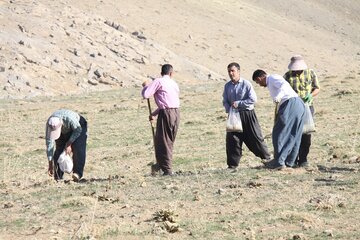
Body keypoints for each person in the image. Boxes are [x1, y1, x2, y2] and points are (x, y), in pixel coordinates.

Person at [252, 69, 305, 170]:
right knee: (294, 133)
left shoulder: (272, 78)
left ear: (259, 78)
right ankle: (289, 161)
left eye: (258, 82)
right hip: (297, 103)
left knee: (279, 133)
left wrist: (279, 96)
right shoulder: (271, 81)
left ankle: (279, 161)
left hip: (290, 103)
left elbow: (283, 85)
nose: (259, 84)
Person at [222, 62, 271, 169]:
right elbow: (225, 100)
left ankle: (267, 159)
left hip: (247, 114)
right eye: (229, 71)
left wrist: (239, 103)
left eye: (233, 71)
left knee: (255, 137)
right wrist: (229, 109)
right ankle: (232, 165)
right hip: (234, 115)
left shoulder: (246, 84)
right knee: (232, 139)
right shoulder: (227, 86)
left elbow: (253, 99)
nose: (231, 73)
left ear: (238, 71)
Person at [142, 64, 180, 176]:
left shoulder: (158, 81)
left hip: (166, 114)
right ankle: (162, 165)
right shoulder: (174, 84)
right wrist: (154, 114)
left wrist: (145, 86)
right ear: (171, 73)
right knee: (169, 140)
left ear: (161, 72)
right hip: (176, 113)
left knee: (164, 141)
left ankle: (167, 170)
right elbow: (168, 102)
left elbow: (146, 94)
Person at [284, 55, 320, 167]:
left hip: (307, 107)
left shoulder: (310, 73)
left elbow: (317, 88)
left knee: (306, 134)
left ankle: (303, 159)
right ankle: (292, 159)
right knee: (293, 133)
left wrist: (310, 95)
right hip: (293, 109)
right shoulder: (287, 76)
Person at [45, 109, 87, 181]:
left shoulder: (69, 119)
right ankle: (58, 177)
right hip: (64, 130)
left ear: (61, 125)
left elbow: (78, 130)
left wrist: (69, 144)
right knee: (59, 151)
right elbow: (49, 146)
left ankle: (77, 173)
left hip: (78, 126)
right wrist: (50, 164)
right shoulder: (50, 125)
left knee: (78, 148)